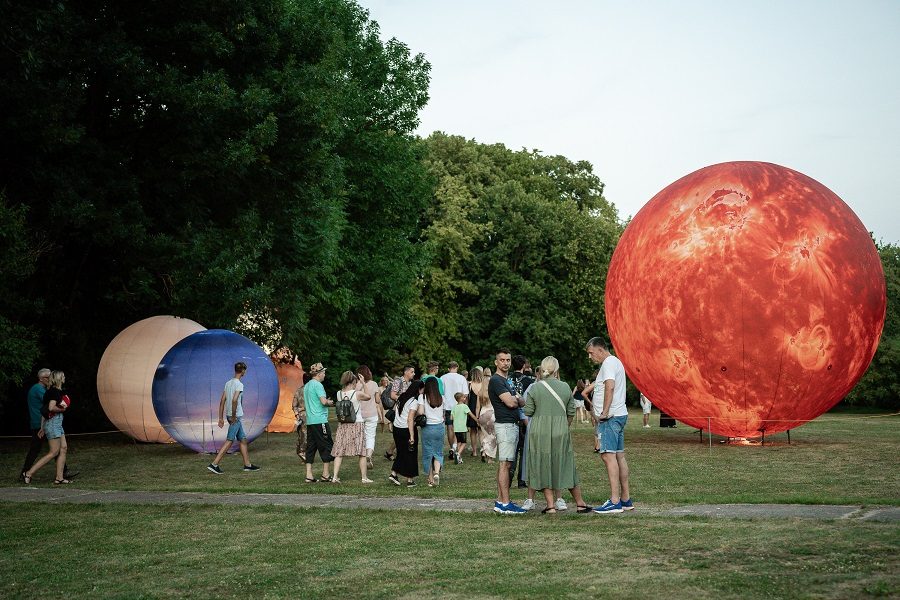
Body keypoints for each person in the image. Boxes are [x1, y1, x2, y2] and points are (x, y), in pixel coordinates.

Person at [523, 357, 592, 514]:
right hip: (561, 430)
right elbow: (571, 411)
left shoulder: (535, 388)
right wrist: (563, 426)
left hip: (540, 431)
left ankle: (550, 505)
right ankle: (580, 503)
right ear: (557, 370)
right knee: (566, 464)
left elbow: (528, 411)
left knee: (543, 464)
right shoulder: (565, 386)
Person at [586, 337, 634, 514]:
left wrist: (604, 412)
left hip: (611, 418)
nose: (590, 357)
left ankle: (615, 501)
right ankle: (625, 499)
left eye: (591, 353)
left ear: (600, 349)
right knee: (619, 456)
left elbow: (610, 387)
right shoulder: (615, 362)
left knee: (608, 456)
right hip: (619, 415)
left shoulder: (608, 363)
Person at [488, 349, 527, 514]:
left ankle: (500, 500)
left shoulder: (507, 381)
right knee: (505, 464)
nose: (505, 363)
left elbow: (522, 401)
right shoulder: (497, 380)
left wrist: (515, 399)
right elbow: (511, 403)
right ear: (496, 362)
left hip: (511, 424)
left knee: (506, 463)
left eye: (508, 360)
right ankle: (505, 503)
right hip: (505, 425)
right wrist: (515, 399)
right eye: (502, 360)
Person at [20, 368, 74, 481]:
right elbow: (50, 408)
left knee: (63, 448)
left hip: (56, 423)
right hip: (53, 423)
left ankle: (59, 478)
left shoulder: (53, 391)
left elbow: (44, 410)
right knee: (53, 452)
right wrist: (63, 408)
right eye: (63, 376)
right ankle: (28, 473)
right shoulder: (53, 391)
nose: (64, 378)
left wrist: (42, 426)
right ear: (59, 378)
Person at [207, 362, 260, 474]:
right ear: (243, 371)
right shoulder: (239, 384)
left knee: (243, 439)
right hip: (235, 417)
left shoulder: (228, 383)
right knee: (230, 440)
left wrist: (221, 418)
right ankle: (214, 464)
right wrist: (234, 416)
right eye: (245, 370)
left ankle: (247, 465)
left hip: (229, 415)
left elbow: (222, 401)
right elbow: (235, 400)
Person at [331, 371, 371, 484]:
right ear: (353, 381)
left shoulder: (339, 393)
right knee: (362, 452)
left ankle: (334, 476)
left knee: (339, 451)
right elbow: (368, 397)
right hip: (356, 423)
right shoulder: (357, 393)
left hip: (343, 424)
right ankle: (364, 477)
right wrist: (364, 383)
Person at [303, 362, 335, 483]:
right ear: (319, 373)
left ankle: (309, 475)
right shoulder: (318, 385)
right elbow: (323, 401)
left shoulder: (307, 386)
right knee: (326, 445)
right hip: (320, 420)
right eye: (324, 372)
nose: (325, 375)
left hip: (310, 421)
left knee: (311, 447)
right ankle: (325, 475)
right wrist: (330, 402)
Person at [389, 380, 423, 487]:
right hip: (406, 429)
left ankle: (394, 474)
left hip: (397, 428)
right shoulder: (413, 401)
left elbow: (396, 411)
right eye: (422, 390)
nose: (423, 392)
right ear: (418, 389)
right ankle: (410, 480)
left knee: (401, 452)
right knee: (411, 454)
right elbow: (410, 419)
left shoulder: (402, 396)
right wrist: (412, 436)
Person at [508, 355, 534, 489]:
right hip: (524, 419)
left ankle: (508, 478)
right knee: (523, 451)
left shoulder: (507, 379)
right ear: (524, 365)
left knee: (511, 451)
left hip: (510, 418)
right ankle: (521, 481)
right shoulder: (529, 381)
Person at [412, 377, 445, 487]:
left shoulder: (423, 397)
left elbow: (421, 412)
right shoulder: (442, 397)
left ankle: (430, 478)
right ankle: (437, 472)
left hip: (428, 428)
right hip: (439, 427)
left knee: (428, 453)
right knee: (438, 452)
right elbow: (444, 414)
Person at [386, 365, 416, 460]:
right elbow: (392, 395)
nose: (413, 374)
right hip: (398, 411)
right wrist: (404, 400)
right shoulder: (398, 381)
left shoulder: (410, 383)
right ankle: (398, 452)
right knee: (401, 433)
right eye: (412, 372)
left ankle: (390, 451)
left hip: (407, 411)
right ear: (406, 372)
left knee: (402, 432)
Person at [440, 361, 469, 459]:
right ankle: (455, 447)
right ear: (457, 367)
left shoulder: (442, 378)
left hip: (447, 406)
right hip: (459, 406)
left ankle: (452, 447)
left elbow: (441, 393)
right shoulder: (461, 378)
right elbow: (465, 394)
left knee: (449, 428)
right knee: (459, 427)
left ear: (448, 368)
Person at [357, 365, 380, 468]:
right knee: (370, 436)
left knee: (362, 436)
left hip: (360, 414)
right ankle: (369, 455)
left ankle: (362, 455)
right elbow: (377, 400)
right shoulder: (374, 384)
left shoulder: (356, 385)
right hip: (372, 413)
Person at [449, 392, 474, 463]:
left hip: (456, 428)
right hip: (462, 428)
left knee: (459, 442)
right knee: (464, 443)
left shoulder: (454, 407)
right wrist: (477, 420)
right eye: (464, 397)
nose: (465, 398)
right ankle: (458, 453)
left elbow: (451, 418)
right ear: (461, 399)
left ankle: (459, 458)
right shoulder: (465, 406)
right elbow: (471, 414)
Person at [466, 367, 484, 457]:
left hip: (471, 409)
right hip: (483, 409)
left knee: (473, 431)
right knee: (481, 431)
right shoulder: (484, 385)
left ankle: (474, 451)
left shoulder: (469, 385)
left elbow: (467, 399)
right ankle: (483, 449)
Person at [292, 372, 310, 462]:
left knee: (303, 436)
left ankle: (303, 453)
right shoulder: (311, 390)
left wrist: (297, 414)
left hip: (302, 416)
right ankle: (303, 454)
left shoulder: (298, 391)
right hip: (307, 416)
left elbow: (294, 405)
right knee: (305, 436)